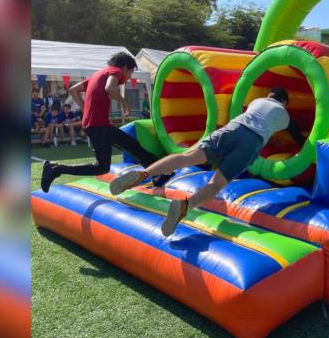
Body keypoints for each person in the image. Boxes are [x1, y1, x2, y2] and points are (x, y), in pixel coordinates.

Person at [109, 88, 305, 236]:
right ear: (284, 102)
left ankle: (143, 174)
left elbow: (257, 119)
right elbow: (297, 138)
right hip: (252, 143)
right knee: (216, 184)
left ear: (270, 95)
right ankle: (186, 206)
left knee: (188, 157)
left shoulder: (257, 101)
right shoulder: (286, 116)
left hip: (233, 128)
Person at [40, 53, 169, 192]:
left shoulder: (98, 74)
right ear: (125, 67)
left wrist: (86, 109)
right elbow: (110, 88)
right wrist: (124, 102)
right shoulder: (116, 71)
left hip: (99, 125)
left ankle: (159, 175)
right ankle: (55, 169)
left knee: (134, 146)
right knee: (102, 167)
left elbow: (73, 90)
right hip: (98, 126)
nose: (130, 77)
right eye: (131, 72)